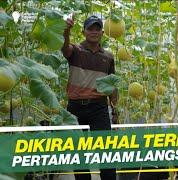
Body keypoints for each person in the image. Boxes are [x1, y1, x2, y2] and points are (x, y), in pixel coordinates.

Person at [61, 15, 118, 180]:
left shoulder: (108, 56)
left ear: (102, 32)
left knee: (106, 153)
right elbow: (65, 48)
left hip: (98, 107)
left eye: (97, 28)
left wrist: (115, 110)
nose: (94, 32)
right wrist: (66, 31)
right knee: (79, 155)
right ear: (84, 31)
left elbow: (111, 83)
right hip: (75, 108)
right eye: (90, 28)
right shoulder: (76, 50)